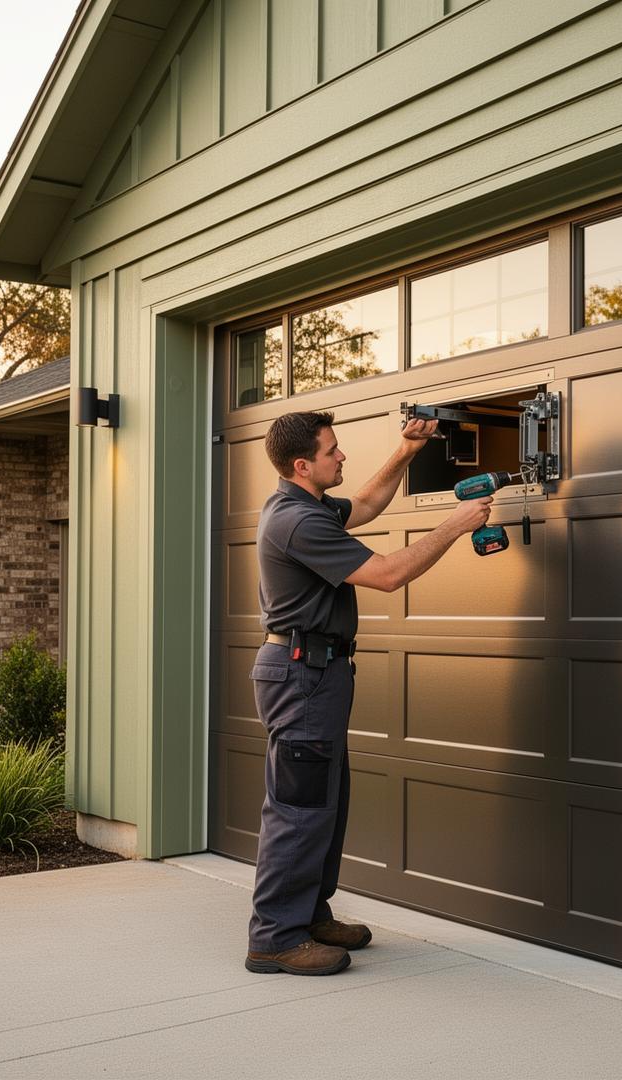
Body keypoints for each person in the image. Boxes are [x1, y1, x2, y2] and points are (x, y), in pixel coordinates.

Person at [244, 409, 492, 976]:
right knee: (298, 809)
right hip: (301, 674)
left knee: (325, 801)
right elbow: (386, 574)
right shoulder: (296, 521)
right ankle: (275, 937)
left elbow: (366, 506)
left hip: (319, 673)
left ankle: (307, 913)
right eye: (333, 450)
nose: (342, 456)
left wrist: (407, 450)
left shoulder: (306, 505)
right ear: (303, 464)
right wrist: (455, 524)